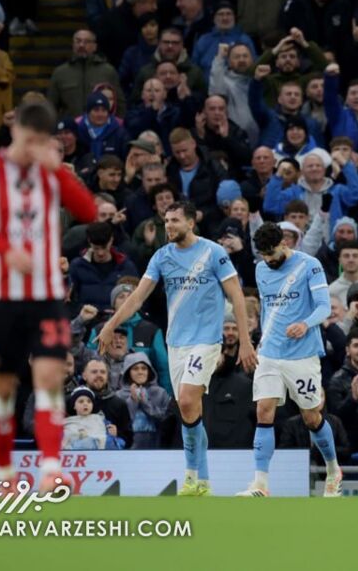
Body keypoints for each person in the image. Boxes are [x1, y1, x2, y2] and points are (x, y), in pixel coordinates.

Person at [0, 101, 98, 490]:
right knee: (3, 386)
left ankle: (51, 470)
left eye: (41, 142)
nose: (33, 149)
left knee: (50, 377)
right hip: (1, 298)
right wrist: (6, 251)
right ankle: (6, 474)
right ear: (15, 133)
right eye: (29, 141)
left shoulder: (50, 173)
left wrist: (60, 171)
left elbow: (89, 212)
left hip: (47, 296)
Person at [98, 200, 257, 496]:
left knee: (186, 399)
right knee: (188, 408)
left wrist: (246, 342)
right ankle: (201, 481)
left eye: (174, 221)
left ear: (190, 223)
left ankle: (191, 475)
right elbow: (137, 298)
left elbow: (236, 295)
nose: (168, 226)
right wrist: (110, 324)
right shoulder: (162, 256)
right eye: (166, 221)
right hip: (176, 342)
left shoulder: (213, 252)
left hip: (206, 340)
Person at [238, 222, 341, 498]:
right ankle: (260, 483)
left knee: (311, 417)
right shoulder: (261, 269)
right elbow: (268, 310)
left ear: (284, 243)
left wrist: (305, 324)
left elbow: (324, 307)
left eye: (271, 253)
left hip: (302, 354)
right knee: (264, 410)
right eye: (263, 255)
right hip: (270, 352)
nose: (268, 260)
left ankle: (333, 470)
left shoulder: (310, 265)